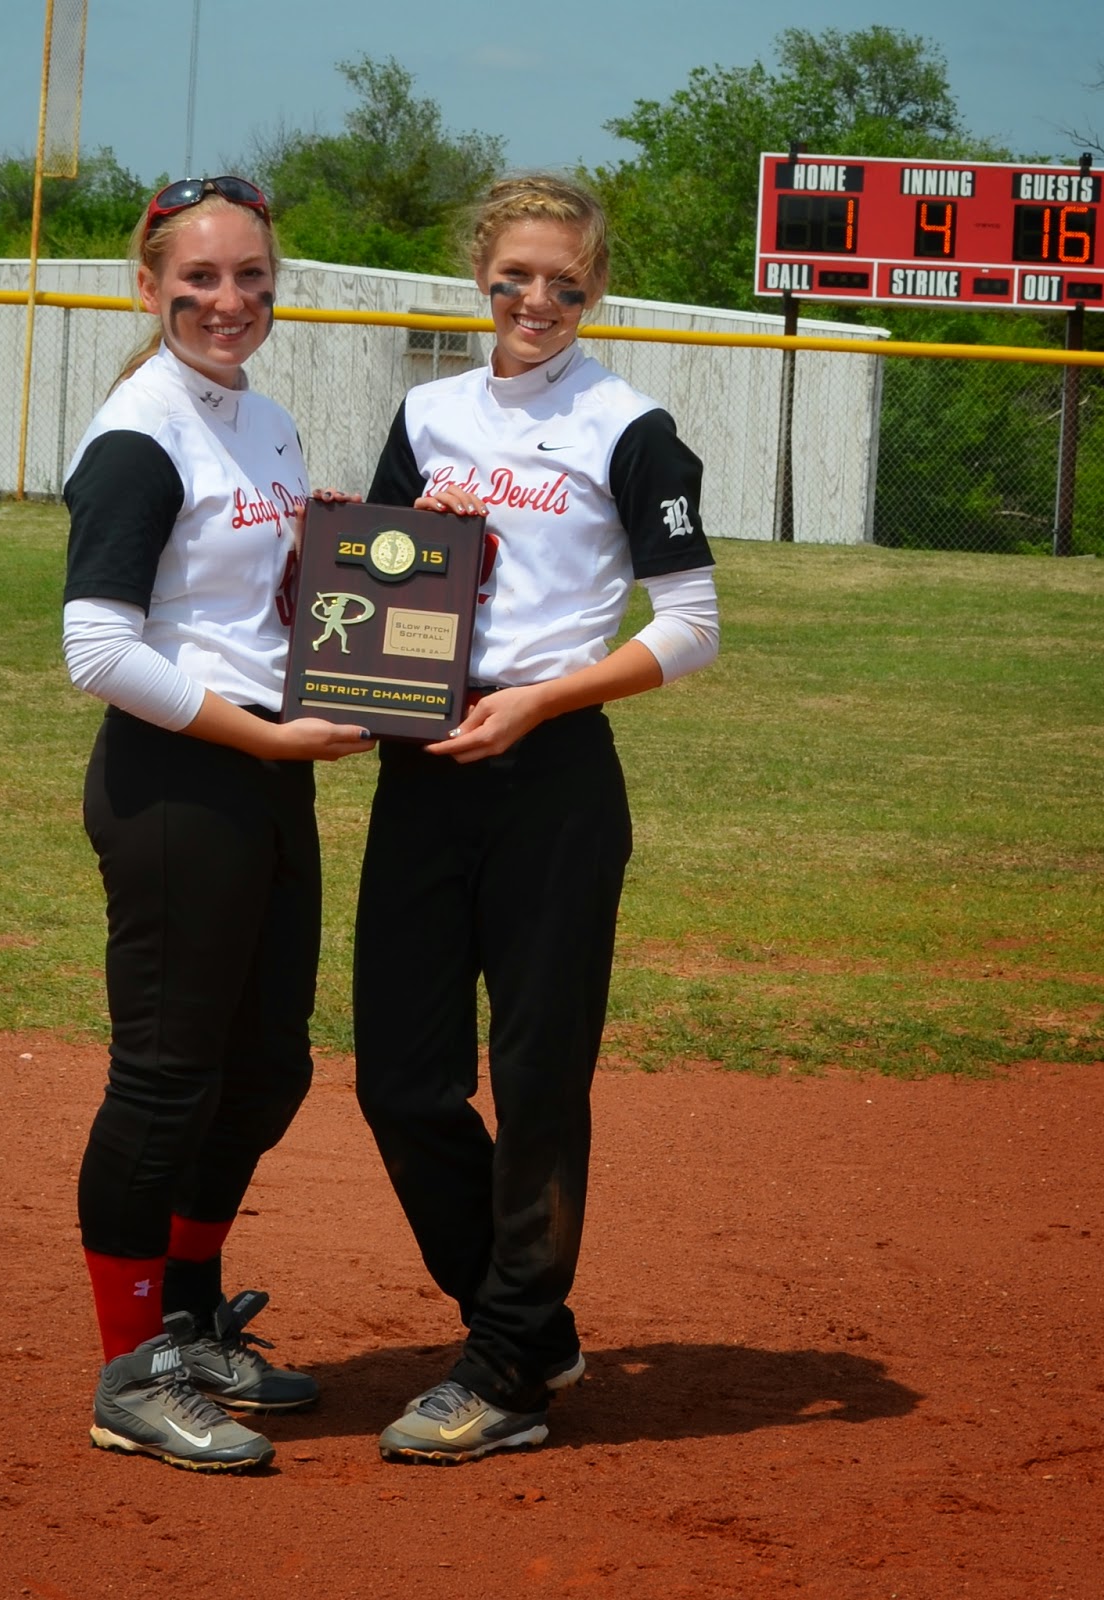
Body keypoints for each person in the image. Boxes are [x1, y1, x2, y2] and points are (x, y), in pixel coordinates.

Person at [353, 173, 720, 1463]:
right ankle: (533, 1319)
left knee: (537, 1075)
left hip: (553, 773)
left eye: (565, 281)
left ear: (596, 286)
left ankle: (507, 1365)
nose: (537, 301)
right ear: (480, 274)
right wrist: (417, 533)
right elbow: (372, 589)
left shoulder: (631, 426)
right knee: (400, 1081)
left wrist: (539, 703)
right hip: (425, 765)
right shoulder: (428, 413)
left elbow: (692, 628)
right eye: (515, 276)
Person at [61, 175, 374, 1472]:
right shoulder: (140, 435)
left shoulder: (263, 419)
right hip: (180, 783)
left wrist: (380, 550)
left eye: (250, 275)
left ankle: (188, 1319)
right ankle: (129, 1370)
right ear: (150, 286)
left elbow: (272, 593)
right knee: (167, 1078)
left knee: (266, 1070)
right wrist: (264, 739)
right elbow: (97, 651)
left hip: (261, 772)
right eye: (197, 277)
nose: (227, 299)